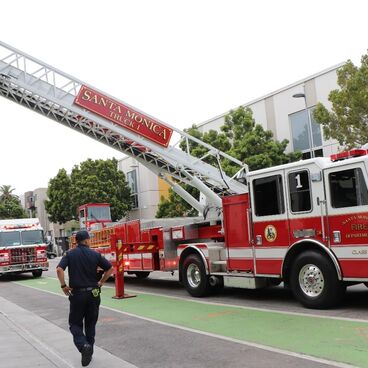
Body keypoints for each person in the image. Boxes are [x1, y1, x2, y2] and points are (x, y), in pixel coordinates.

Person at [56, 230, 113, 367]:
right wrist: (101, 282)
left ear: (76, 241)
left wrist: (64, 285)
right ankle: (89, 351)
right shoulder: (95, 254)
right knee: (90, 324)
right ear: (87, 240)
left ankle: (83, 346)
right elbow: (110, 268)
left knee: (75, 324)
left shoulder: (70, 254)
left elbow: (59, 269)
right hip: (93, 293)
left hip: (77, 294)